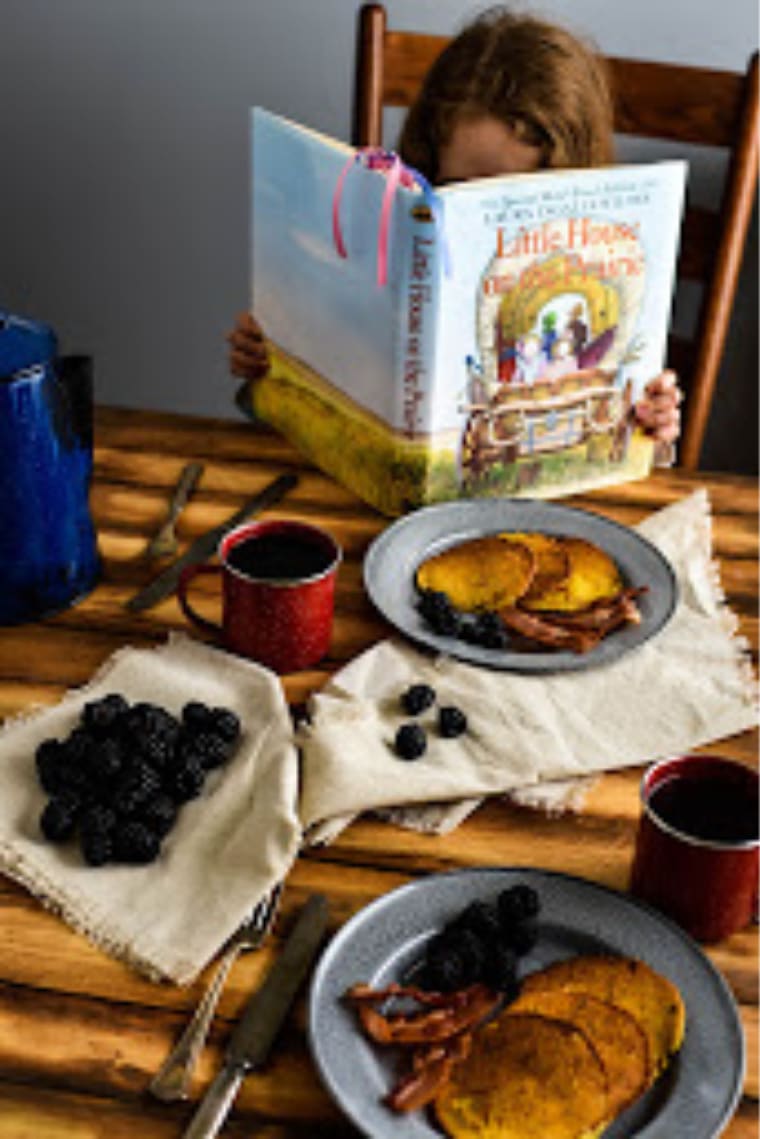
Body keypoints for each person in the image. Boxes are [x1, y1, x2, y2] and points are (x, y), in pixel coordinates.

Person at [228, 6, 680, 445]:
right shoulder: (382, 239)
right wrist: (273, 362)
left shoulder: (595, 276)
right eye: (459, 189)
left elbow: (633, 450)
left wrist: (652, 428)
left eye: (511, 202)